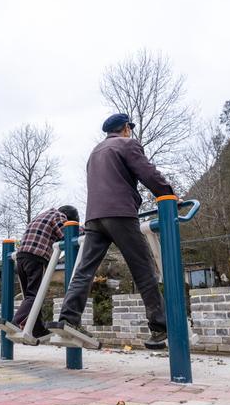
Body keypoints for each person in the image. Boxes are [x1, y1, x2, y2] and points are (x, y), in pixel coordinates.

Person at [47, 113, 174, 349]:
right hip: (121, 213)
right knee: (143, 268)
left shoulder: (94, 152)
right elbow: (148, 174)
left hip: (94, 217)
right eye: (130, 128)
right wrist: (168, 195)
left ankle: (68, 319)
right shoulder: (128, 144)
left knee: (84, 270)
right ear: (126, 128)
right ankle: (160, 327)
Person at [12, 205, 80, 342]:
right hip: (37, 257)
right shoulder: (59, 216)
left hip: (21, 258)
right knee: (36, 295)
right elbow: (66, 233)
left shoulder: (41, 216)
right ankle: (16, 322)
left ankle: (37, 329)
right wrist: (84, 230)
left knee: (29, 296)